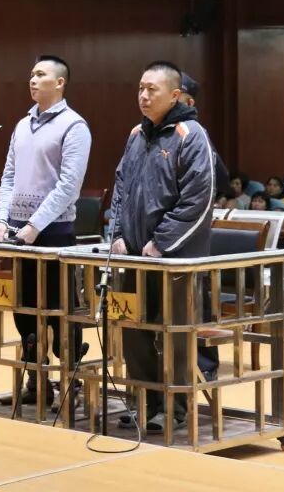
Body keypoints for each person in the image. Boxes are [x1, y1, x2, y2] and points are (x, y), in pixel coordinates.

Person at [110, 60, 215, 434]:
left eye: (151, 89)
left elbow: (197, 198)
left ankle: (174, 407)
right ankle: (144, 400)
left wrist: (161, 243)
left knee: (175, 333)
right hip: (135, 257)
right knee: (132, 327)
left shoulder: (191, 135)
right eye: (140, 88)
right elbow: (120, 187)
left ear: (174, 95)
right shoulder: (136, 135)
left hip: (175, 259)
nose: (143, 95)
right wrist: (117, 234)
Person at [0, 55, 91, 406]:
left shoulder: (74, 126)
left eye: (40, 74)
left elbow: (69, 186)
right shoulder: (22, 125)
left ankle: (71, 385)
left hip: (55, 233)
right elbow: (8, 177)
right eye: (31, 74)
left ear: (60, 82)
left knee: (60, 312)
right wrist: (2, 219)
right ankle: (37, 382)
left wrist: (35, 225)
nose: (32, 80)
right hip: (19, 234)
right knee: (25, 311)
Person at [180, 73, 230, 193]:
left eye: (176, 95)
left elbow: (220, 179)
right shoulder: (141, 130)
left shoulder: (194, 133)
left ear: (189, 103)